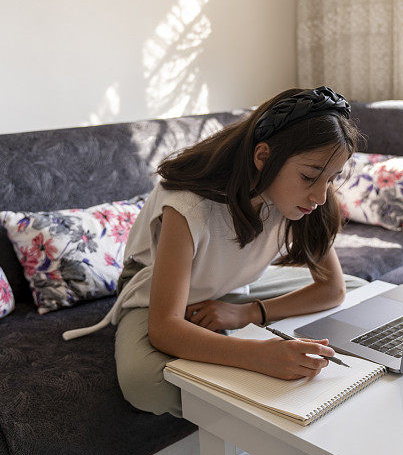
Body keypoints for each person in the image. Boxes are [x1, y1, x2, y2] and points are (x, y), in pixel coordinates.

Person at [63, 86, 368, 417]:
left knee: (358, 291)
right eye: (309, 176)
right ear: (263, 156)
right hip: (156, 291)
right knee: (144, 382)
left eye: (331, 178)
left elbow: (332, 288)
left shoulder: (309, 194)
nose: (321, 196)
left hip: (228, 285)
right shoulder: (189, 203)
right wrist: (260, 356)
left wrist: (247, 313)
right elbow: (164, 327)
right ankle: (269, 404)